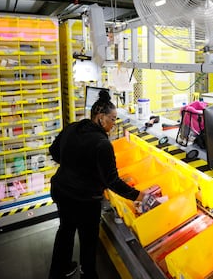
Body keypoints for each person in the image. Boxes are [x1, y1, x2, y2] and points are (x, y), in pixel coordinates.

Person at [48, 90, 148, 278]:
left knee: (65, 231)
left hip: (62, 190)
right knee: (88, 239)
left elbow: (54, 151)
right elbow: (112, 182)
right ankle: (88, 274)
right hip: (84, 199)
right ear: (101, 118)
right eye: (112, 119)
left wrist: (73, 167)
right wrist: (140, 195)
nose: (113, 124)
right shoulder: (102, 143)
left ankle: (58, 271)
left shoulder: (72, 127)